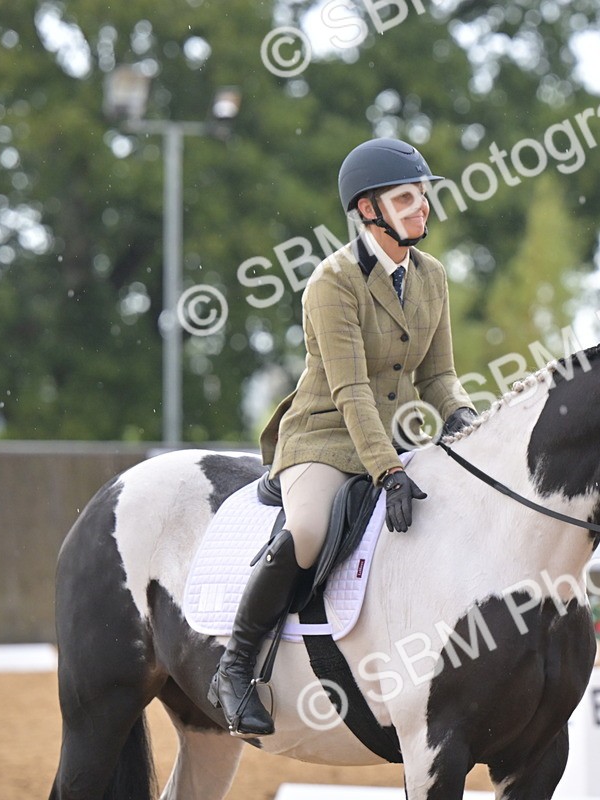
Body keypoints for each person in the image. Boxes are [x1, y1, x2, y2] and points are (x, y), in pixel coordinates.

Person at [207, 137, 478, 737]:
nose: (422, 206)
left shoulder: (431, 277)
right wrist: (389, 471)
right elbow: (351, 391)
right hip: (324, 438)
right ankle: (235, 665)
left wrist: (464, 419)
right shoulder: (332, 282)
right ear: (367, 210)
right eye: (406, 198)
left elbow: (438, 376)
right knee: (308, 530)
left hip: (393, 439)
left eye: (423, 195)